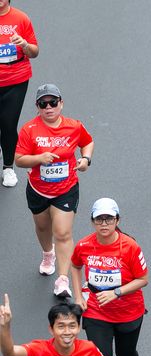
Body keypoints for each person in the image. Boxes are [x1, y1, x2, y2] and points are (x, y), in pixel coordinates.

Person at [70, 198, 148, 356]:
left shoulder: (130, 247)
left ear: (117, 220)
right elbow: (75, 266)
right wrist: (78, 296)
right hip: (96, 311)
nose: (104, 223)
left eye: (109, 219)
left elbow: (143, 279)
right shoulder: (84, 245)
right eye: (99, 219)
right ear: (92, 221)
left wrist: (116, 293)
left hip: (128, 311)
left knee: (126, 354)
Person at [14, 83, 94, 298]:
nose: (48, 107)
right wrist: (39, 158)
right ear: (37, 107)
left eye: (52, 102)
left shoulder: (74, 126)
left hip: (66, 189)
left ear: (61, 103)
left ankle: (62, 280)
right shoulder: (29, 129)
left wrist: (86, 159)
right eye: (43, 104)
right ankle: (48, 254)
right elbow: (19, 160)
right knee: (43, 227)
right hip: (38, 189)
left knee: (63, 233)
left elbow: (88, 142)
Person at [0, 0, 38, 187]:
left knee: (8, 124)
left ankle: (8, 167)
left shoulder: (21, 18)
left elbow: (34, 52)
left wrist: (24, 44)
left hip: (15, 81)